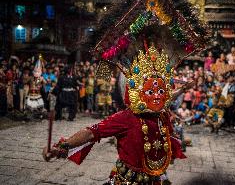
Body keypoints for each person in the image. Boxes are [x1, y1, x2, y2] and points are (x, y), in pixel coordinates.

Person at [42, 45, 192, 184]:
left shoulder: (161, 114)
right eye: (150, 92)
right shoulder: (127, 118)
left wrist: (182, 90)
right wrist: (61, 146)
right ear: (138, 92)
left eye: (160, 91)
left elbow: (167, 96)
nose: (157, 96)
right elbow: (91, 132)